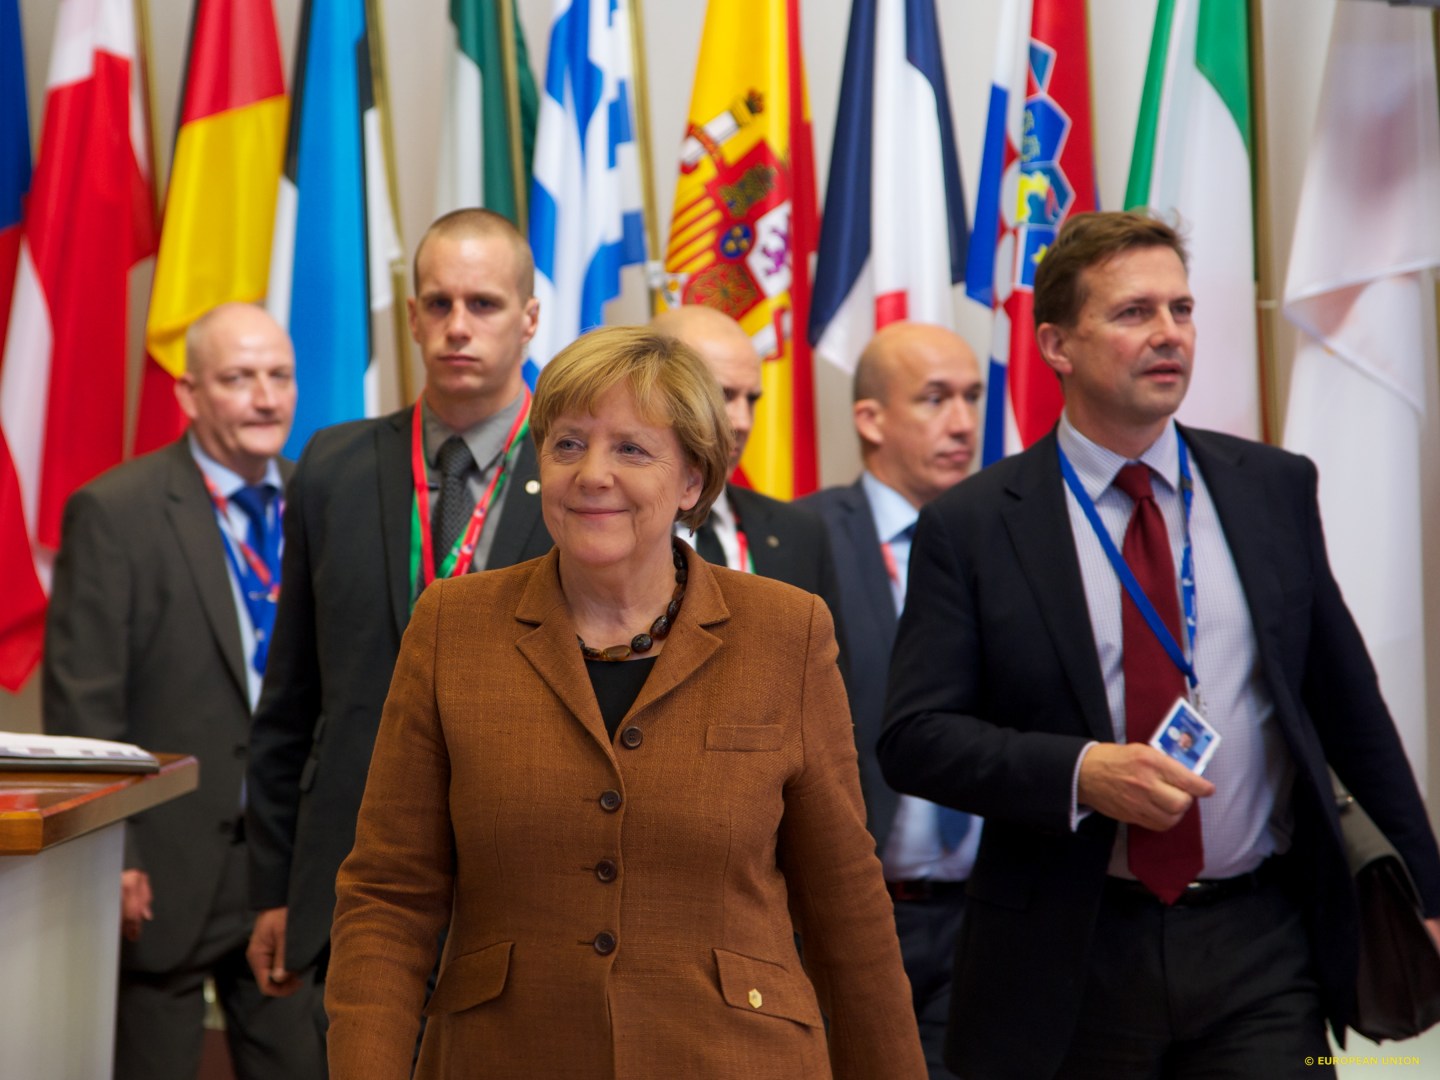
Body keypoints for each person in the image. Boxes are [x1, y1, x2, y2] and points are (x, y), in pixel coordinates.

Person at [878, 210, 1440, 1080]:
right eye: (1134, 312)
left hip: (1261, 940)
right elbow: (916, 737)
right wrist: (1080, 772)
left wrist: (1426, 894)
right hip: (1073, 948)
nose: (1169, 332)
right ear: (1057, 345)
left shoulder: (1271, 488)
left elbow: (1348, 709)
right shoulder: (975, 525)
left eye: (1181, 309)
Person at [324, 326, 927, 1079]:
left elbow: (845, 905)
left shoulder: (785, 630)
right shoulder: (452, 627)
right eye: (569, 445)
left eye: (632, 449)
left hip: (734, 1058)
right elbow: (389, 897)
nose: (592, 474)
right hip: (507, 1058)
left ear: (692, 481)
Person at [244, 209, 554, 1040]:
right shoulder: (332, 467)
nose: (458, 326)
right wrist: (273, 887)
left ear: (530, 318)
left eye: (484, 304)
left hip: (527, 884)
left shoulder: (577, 471)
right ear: (411, 317)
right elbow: (290, 700)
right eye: (439, 303)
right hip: (356, 879)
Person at [44, 303, 323, 1080]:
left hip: (288, 867)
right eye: (239, 378)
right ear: (190, 393)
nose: (265, 398)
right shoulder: (116, 511)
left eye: (280, 376)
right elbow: (83, 704)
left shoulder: (320, 501)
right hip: (162, 866)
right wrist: (113, 851)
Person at [797, 321, 983, 1080]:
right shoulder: (803, 538)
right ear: (870, 419)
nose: (963, 422)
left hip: (987, 920)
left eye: (972, 396)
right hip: (857, 918)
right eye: (935, 399)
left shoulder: (999, 538)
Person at [650, 305, 841, 616]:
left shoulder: (801, 533)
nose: (742, 422)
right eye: (722, 395)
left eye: (751, 399)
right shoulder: (600, 523)